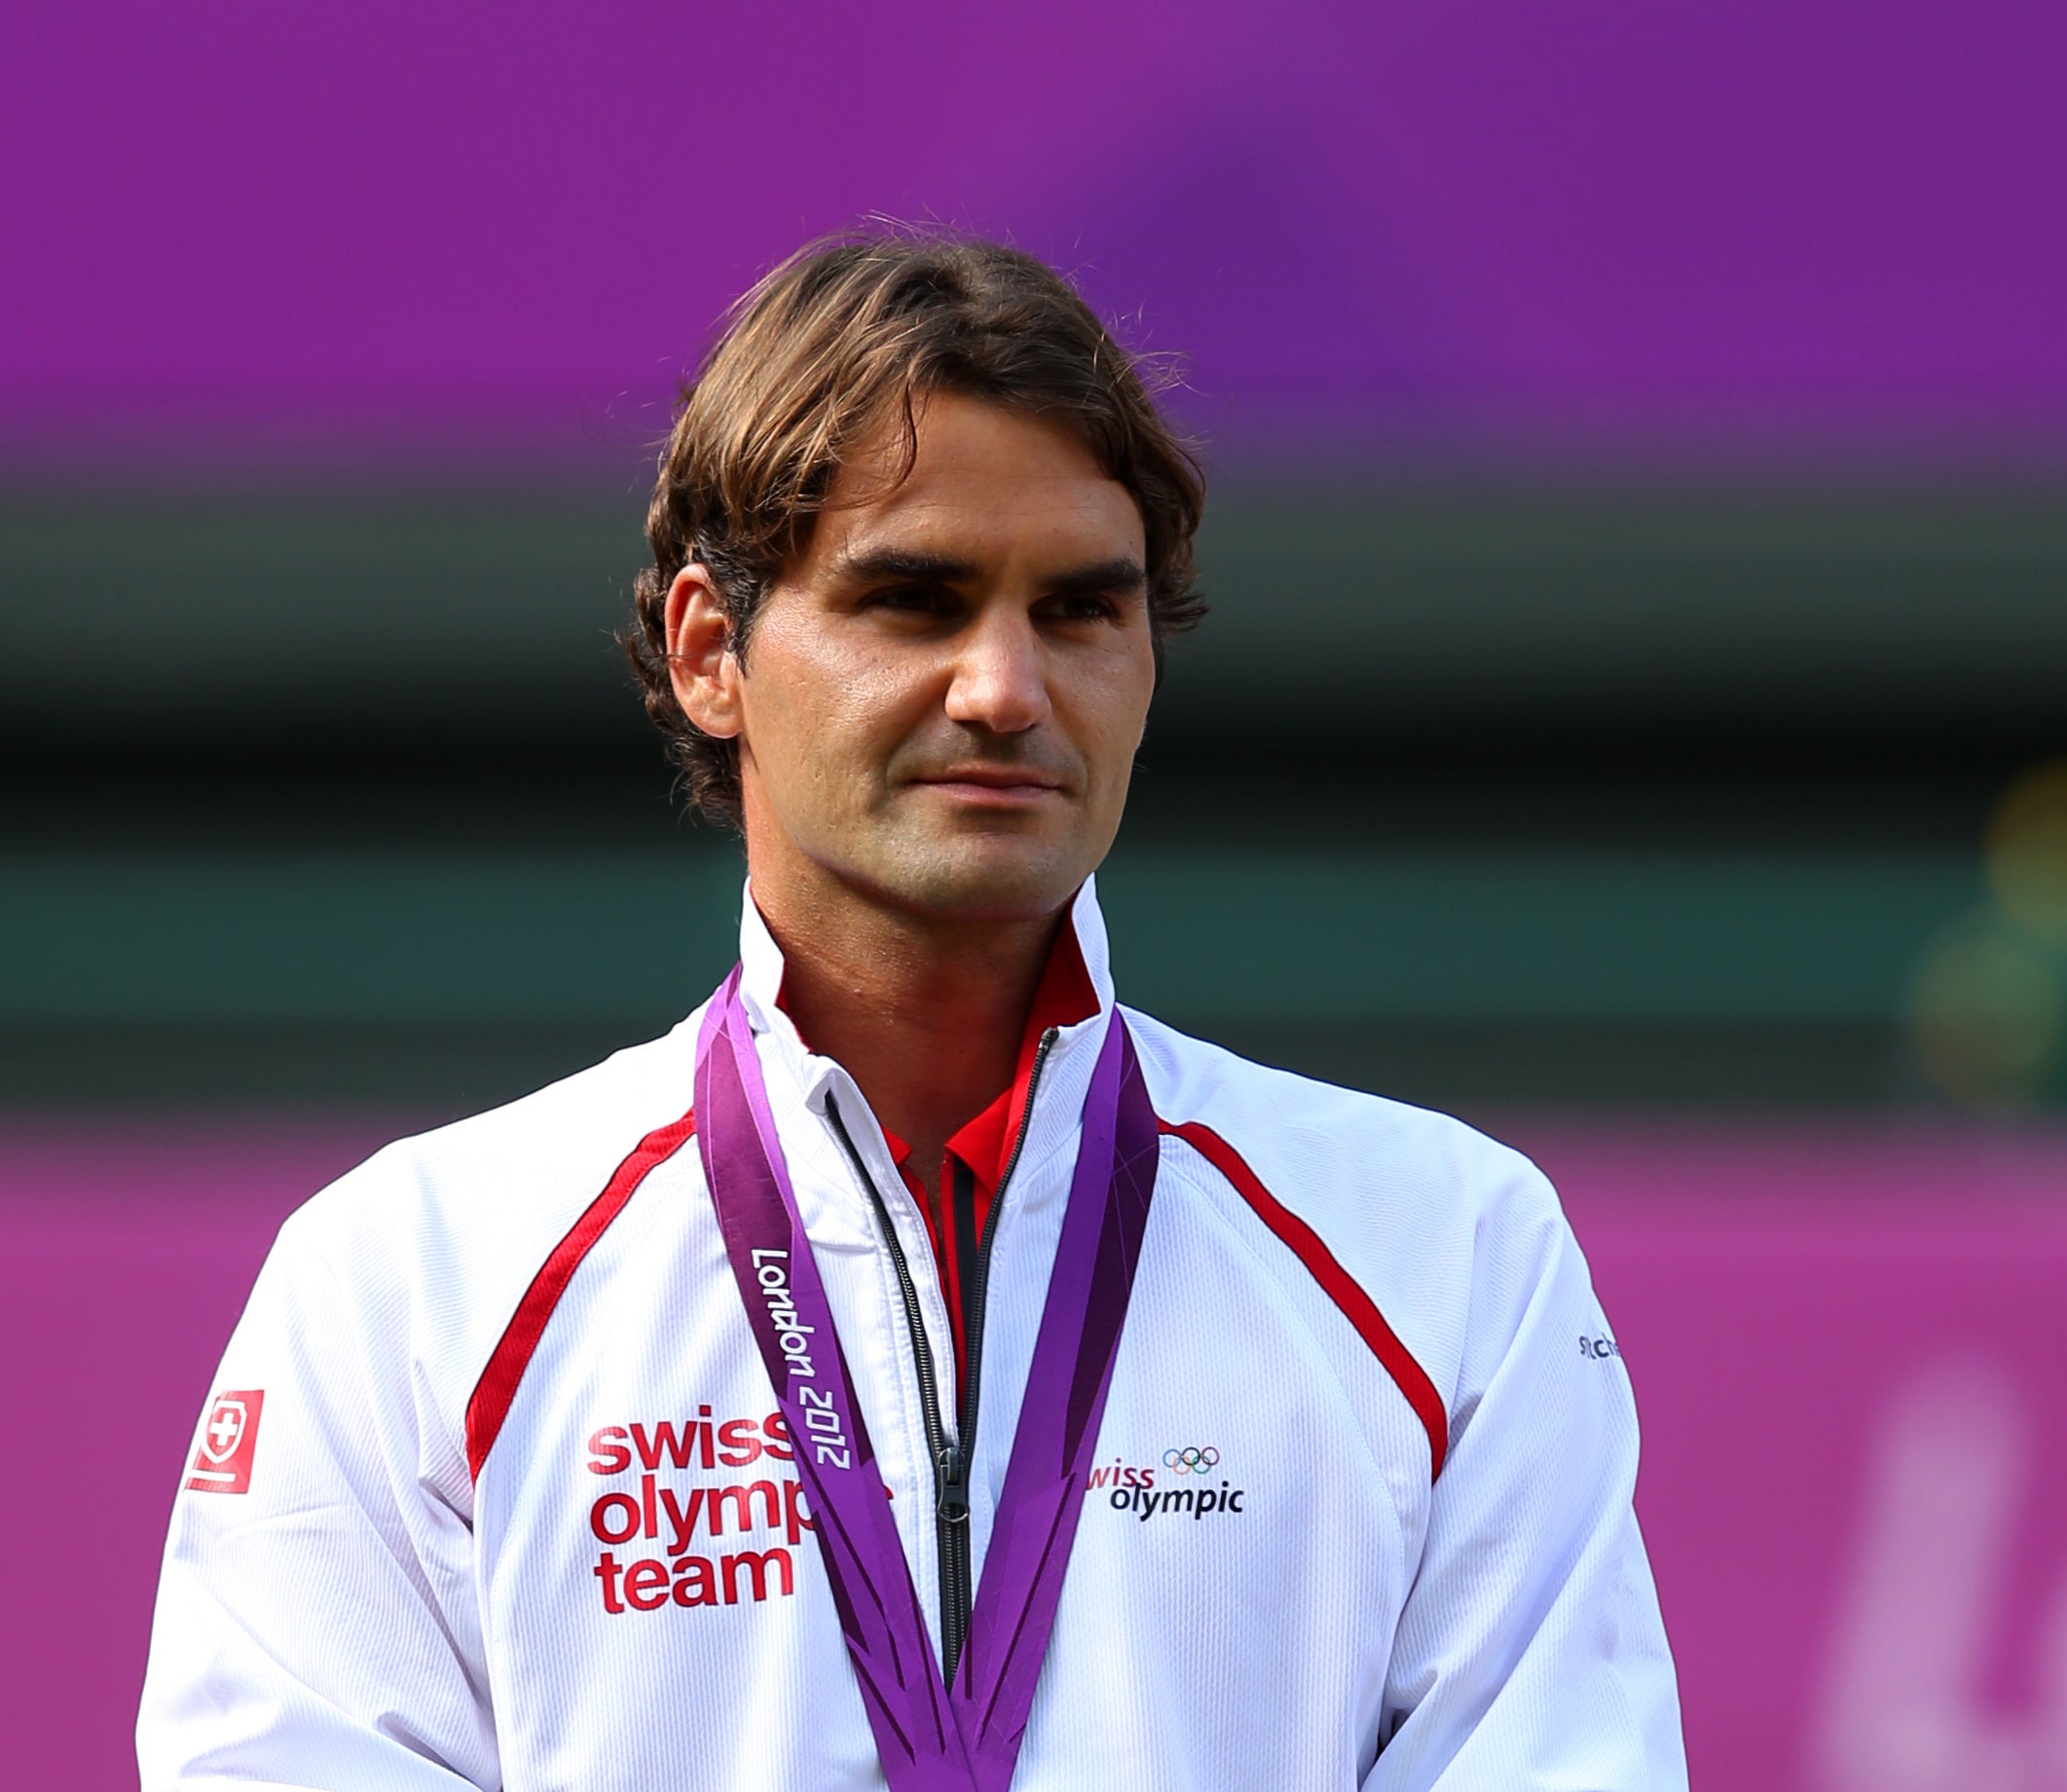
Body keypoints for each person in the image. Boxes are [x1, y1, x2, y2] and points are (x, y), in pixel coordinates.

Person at [137, 231, 1686, 1790]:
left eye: (1081, 609)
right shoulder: (409, 1285)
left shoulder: (1450, 1252)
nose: (1007, 686)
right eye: (916, 600)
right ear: (708, 651)